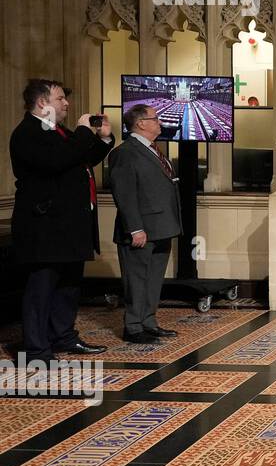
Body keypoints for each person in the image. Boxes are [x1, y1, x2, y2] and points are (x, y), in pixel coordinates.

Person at [9, 78, 114, 364]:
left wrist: (103, 138)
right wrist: (83, 130)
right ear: (42, 103)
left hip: (68, 226)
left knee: (68, 286)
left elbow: (78, 159)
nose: (66, 103)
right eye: (59, 99)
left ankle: (63, 337)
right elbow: (56, 161)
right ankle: (36, 350)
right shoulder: (27, 132)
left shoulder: (57, 131)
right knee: (40, 290)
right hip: (44, 227)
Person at [106, 104, 183, 344]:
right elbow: (125, 194)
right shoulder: (125, 152)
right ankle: (133, 326)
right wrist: (135, 228)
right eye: (155, 118)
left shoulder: (153, 150)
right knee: (137, 279)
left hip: (162, 226)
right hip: (141, 230)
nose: (160, 122)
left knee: (153, 278)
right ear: (141, 123)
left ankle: (148, 322)